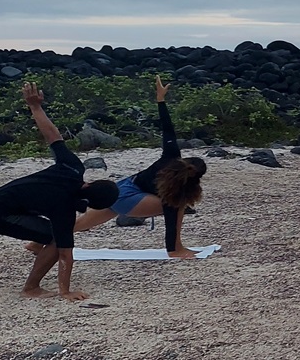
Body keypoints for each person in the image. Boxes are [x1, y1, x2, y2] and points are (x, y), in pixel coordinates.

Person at [37, 75, 206, 258]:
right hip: (129, 196)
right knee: (178, 205)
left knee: (81, 223)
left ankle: (37, 242)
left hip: (121, 188)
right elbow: (171, 219)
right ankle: (177, 248)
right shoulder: (178, 189)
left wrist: (160, 99)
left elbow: (167, 129)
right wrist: (173, 250)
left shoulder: (172, 156)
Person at [0, 82, 119, 301]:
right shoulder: (65, 211)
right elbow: (65, 253)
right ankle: (31, 288)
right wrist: (65, 291)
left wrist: (35, 107)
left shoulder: (72, 167)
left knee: (49, 235)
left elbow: (53, 136)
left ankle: (35, 264)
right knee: (55, 239)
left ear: (91, 183)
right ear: (92, 204)